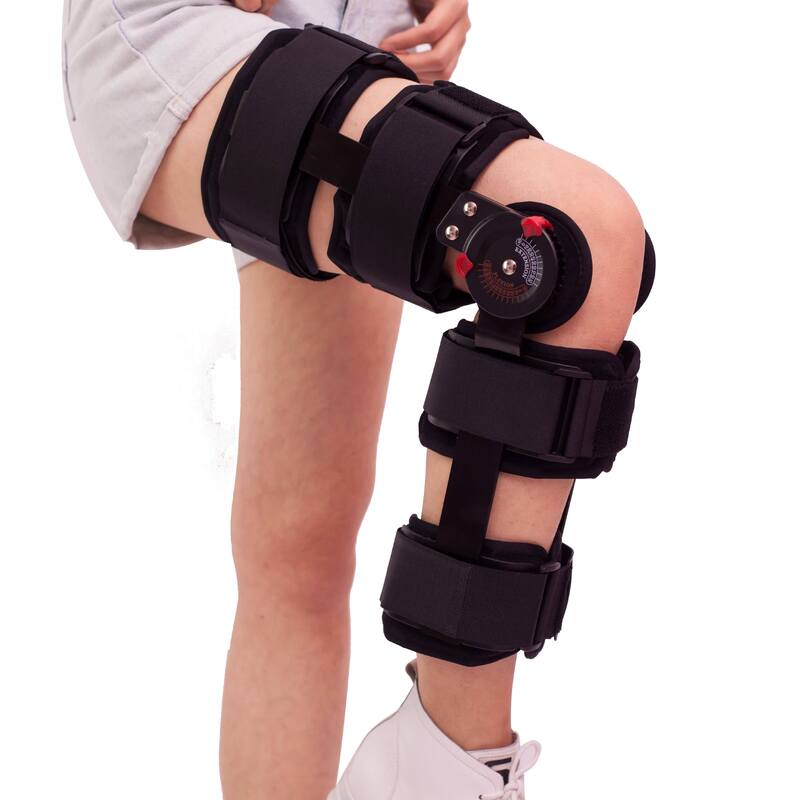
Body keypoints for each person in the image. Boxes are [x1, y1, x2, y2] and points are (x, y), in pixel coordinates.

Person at [62, 1, 647, 797]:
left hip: (360, 38)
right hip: (181, 26)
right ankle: (451, 761)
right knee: (553, 245)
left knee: (300, 550)